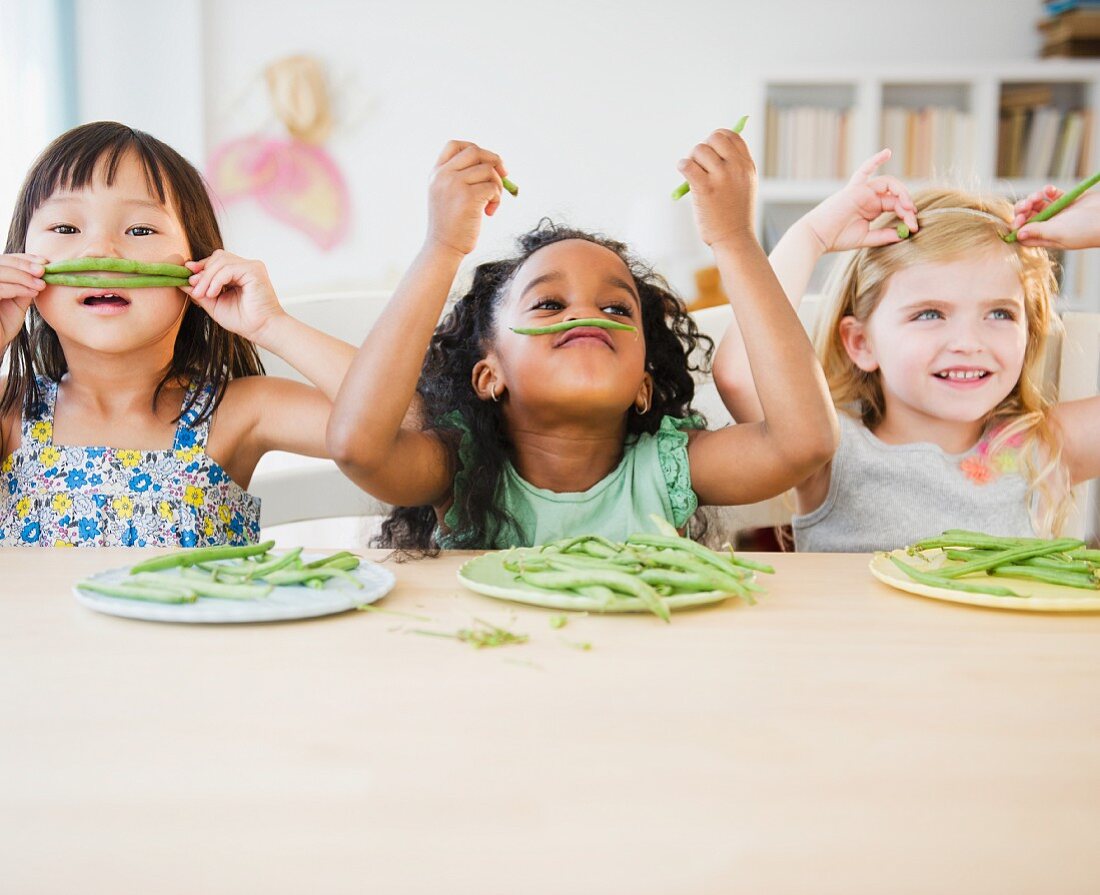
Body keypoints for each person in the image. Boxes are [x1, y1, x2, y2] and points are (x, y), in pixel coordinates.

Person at [327, 133, 836, 550]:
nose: (586, 315)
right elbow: (357, 447)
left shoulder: (666, 466)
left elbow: (804, 442)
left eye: (616, 309)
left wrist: (734, 238)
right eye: (549, 304)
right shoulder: (460, 467)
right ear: (488, 375)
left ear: (644, 383)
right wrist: (442, 247)